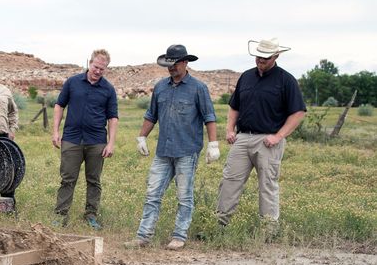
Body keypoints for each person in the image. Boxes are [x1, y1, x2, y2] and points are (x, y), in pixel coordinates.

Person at [125, 45, 219, 250]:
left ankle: (179, 235)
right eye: (169, 64)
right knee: (152, 194)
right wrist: (141, 136)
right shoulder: (160, 87)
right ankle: (143, 236)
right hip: (163, 151)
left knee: (184, 196)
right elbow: (151, 115)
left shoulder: (198, 88)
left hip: (187, 150)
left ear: (185, 63)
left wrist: (213, 144)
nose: (171, 68)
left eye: (175, 63)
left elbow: (209, 118)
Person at [215, 38, 306, 229]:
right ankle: (219, 225)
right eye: (258, 56)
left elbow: (298, 112)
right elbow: (234, 106)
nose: (260, 60)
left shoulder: (286, 80)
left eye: (265, 57)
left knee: (268, 186)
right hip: (242, 138)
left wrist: (279, 136)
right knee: (229, 181)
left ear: (276, 56)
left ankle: (269, 230)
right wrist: (230, 129)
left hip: (268, 141)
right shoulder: (246, 77)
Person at [51, 49, 118, 230]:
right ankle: (60, 215)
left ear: (106, 69)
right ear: (90, 63)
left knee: (94, 180)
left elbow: (113, 118)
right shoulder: (72, 83)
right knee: (67, 179)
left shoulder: (108, 89)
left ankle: (91, 216)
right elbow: (59, 106)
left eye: (102, 69)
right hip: (72, 139)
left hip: (96, 141)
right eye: (96, 67)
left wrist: (111, 143)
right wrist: (55, 131)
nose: (97, 71)